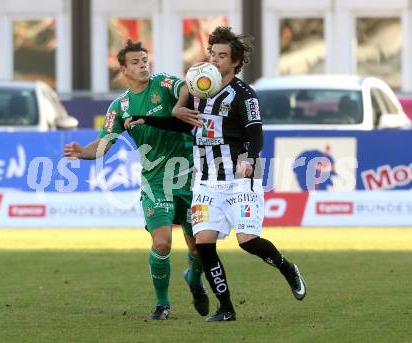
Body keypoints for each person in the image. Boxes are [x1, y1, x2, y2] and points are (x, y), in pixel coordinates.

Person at [128, 26, 307, 322]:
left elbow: (256, 135)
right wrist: (148, 119)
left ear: (235, 62)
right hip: (207, 180)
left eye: (222, 56)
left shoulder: (244, 96)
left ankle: (287, 267)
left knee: (248, 240)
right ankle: (226, 308)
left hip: (240, 178)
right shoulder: (199, 91)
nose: (215, 60)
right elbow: (184, 125)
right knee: (204, 244)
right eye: (212, 53)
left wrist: (249, 158)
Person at [63, 39, 208, 320]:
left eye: (144, 60)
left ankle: (194, 279)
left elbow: (188, 88)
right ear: (123, 70)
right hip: (156, 183)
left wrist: (178, 108)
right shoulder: (120, 107)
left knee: (199, 247)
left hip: (190, 178)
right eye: (135, 62)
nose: (143, 65)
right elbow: (105, 144)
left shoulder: (164, 83)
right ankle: (162, 304)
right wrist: (83, 153)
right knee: (162, 242)